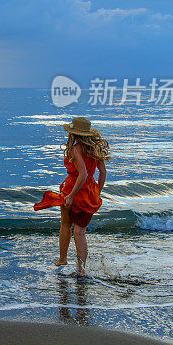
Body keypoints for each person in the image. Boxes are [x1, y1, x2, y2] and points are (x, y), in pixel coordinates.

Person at [33, 117, 110, 275]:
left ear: (74, 134)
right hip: (88, 193)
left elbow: (82, 175)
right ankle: (81, 269)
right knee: (80, 231)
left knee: (65, 225)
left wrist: (71, 195)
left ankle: (62, 258)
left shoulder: (75, 149)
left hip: (73, 190)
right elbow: (102, 172)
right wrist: (97, 191)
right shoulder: (95, 148)